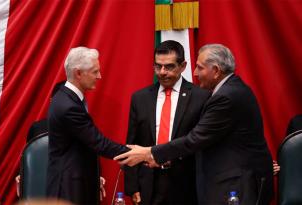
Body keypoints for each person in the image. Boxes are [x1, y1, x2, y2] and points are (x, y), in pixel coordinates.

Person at [115, 44, 274, 205]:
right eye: (158, 66)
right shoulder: (232, 89)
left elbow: (195, 139)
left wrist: (149, 153)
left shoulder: (225, 96)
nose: (195, 73)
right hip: (159, 184)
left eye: (199, 68)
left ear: (216, 71)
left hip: (236, 183)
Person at [124, 40, 210, 205]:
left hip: (186, 184)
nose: (162, 72)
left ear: (183, 66)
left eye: (169, 66)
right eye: (158, 66)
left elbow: (202, 142)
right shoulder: (140, 98)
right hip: (148, 184)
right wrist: (132, 186)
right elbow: (132, 143)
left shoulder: (201, 97)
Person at [46, 47, 128, 205]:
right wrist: (136, 154)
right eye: (95, 71)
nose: (99, 76)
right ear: (78, 73)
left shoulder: (66, 98)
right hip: (68, 189)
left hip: (73, 184)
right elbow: (98, 142)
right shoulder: (69, 106)